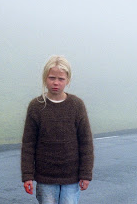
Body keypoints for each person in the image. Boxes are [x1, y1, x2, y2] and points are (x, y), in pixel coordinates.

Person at [21, 55, 94, 204]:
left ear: (68, 80)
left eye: (61, 79)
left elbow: (86, 142)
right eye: (52, 78)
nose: (56, 83)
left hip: (71, 177)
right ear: (44, 78)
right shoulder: (36, 106)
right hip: (45, 177)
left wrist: (85, 174)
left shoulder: (76, 105)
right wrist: (27, 175)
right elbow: (28, 144)